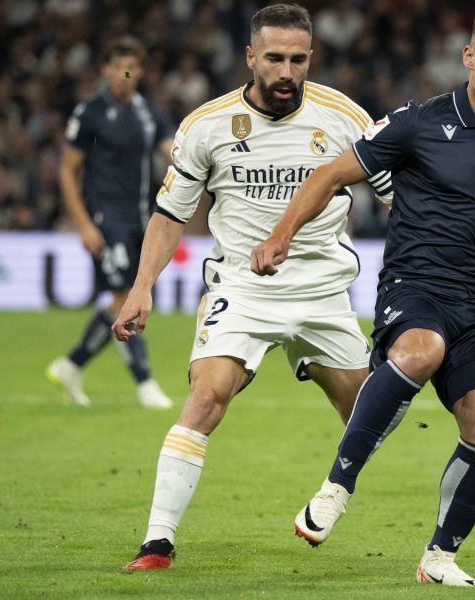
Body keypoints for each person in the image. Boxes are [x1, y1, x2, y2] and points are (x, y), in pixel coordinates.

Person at [252, 5, 475, 587]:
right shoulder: (417, 124)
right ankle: (337, 486)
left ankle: (439, 556)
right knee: (420, 352)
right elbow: (328, 176)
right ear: (469, 57)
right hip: (414, 289)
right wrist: (280, 235)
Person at [111, 4, 392, 571]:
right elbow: (170, 214)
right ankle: (157, 544)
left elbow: (399, 202)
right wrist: (142, 285)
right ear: (250, 57)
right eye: (274, 58)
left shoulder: (344, 117)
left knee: (373, 417)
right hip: (242, 286)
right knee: (205, 398)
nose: (287, 71)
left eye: (298, 59)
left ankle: (329, 497)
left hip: (322, 291)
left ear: (310, 57)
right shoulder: (206, 126)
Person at [46, 36, 174, 410]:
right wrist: (84, 224)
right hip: (107, 220)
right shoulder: (90, 113)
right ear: (104, 70)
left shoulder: (149, 113)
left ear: (142, 72)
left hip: (143, 220)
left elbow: (173, 151)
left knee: (122, 301)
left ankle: (71, 364)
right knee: (124, 299)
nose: (124, 75)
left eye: (131, 69)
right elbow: (68, 172)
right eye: (117, 68)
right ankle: (146, 384)